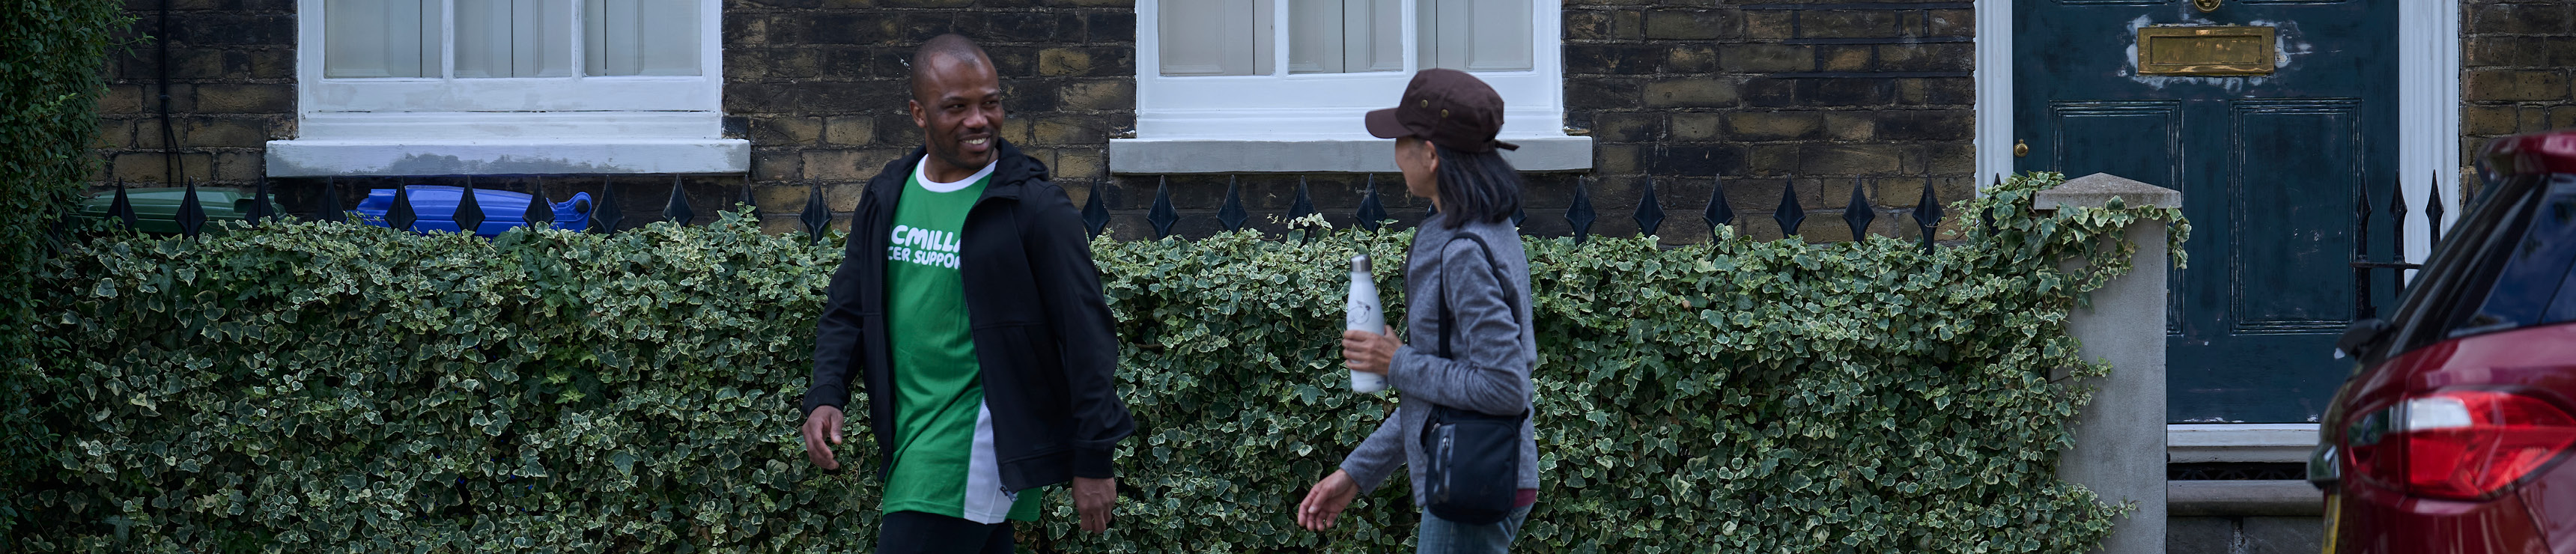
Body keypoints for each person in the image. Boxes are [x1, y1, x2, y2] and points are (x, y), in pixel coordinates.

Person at [800, 34, 1134, 554]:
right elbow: (848, 308)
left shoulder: (1033, 208)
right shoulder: (890, 192)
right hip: (909, 440)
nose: (979, 120)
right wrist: (826, 394)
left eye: (991, 103)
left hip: (972, 447)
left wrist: (1093, 457)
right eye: (956, 107)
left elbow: (1087, 335)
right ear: (918, 112)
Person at [1297, 68, 1542, 553]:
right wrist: (1356, 473)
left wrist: (1396, 362)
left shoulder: (1465, 249)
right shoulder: (1481, 228)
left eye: (1400, 139)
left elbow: (1504, 387)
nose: (1394, 154)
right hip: (1481, 469)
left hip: (1473, 480)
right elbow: (1443, 398)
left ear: (1430, 154)